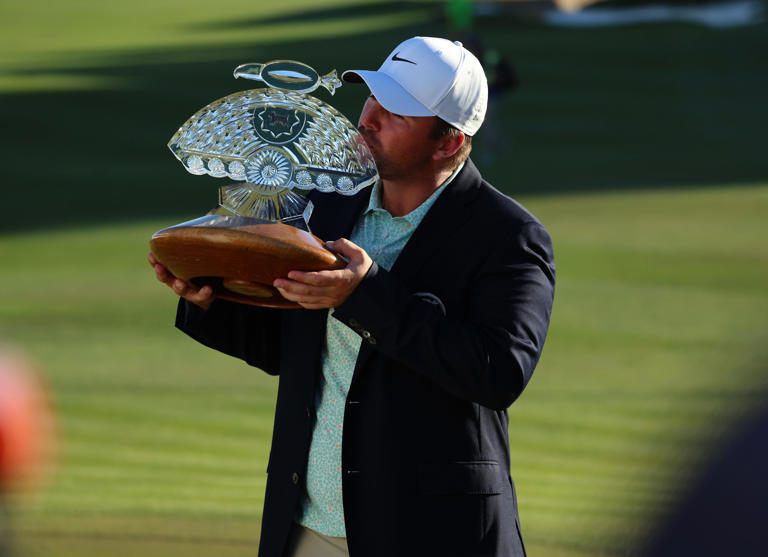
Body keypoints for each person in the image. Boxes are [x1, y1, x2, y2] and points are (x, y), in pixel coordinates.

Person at [149, 36, 555, 557]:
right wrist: (209, 299)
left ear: (448, 143)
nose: (368, 119)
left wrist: (364, 294)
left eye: (396, 113)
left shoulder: (508, 236)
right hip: (307, 529)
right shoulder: (326, 203)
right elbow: (293, 351)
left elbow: (498, 374)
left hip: (433, 536)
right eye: (372, 97)